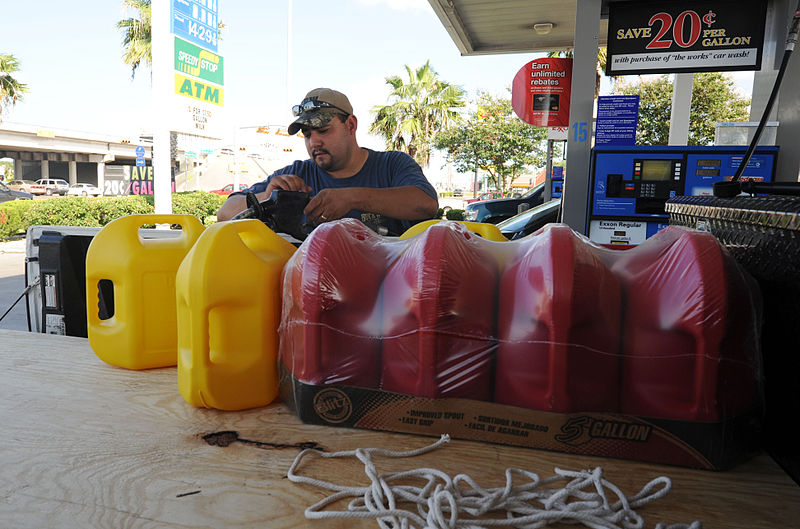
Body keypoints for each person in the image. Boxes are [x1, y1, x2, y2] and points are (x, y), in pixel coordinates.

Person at [217, 88, 439, 236]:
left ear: (350, 125)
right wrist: (267, 197)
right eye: (307, 134)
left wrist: (352, 198)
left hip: (388, 295)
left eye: (323, 130)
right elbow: (225, 213)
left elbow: (426, 203)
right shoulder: (296, 174)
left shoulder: (392, 165)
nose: (314, 142)